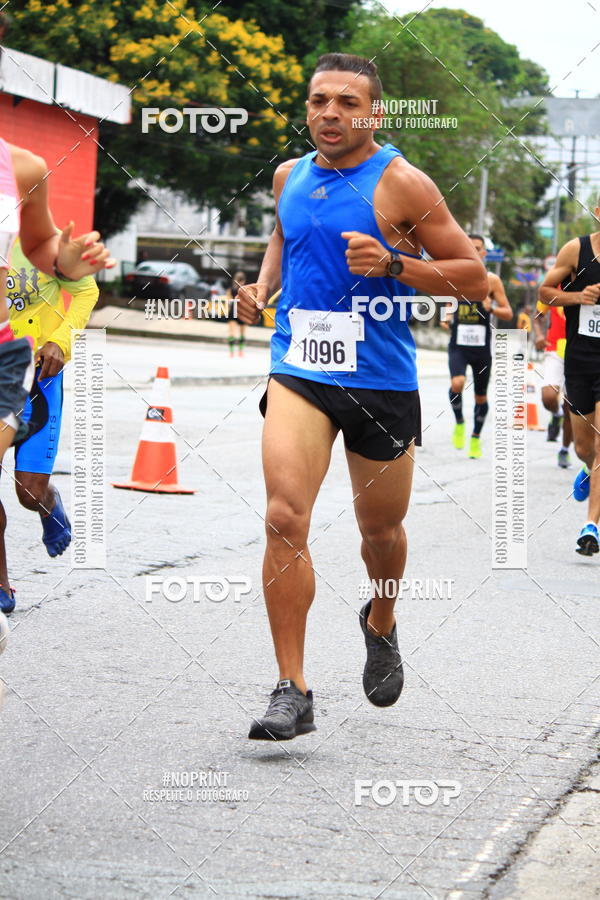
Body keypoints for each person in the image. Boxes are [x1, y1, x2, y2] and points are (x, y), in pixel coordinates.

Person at [236, 53, 487, 741]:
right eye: (319, 100)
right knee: (285, 516)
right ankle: (293, 686)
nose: (330, 114)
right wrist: (263, 288)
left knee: (380, 532)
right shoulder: (290, 176)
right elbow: (285, 236)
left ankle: (381, 618)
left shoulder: (402, 183)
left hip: (380, 379)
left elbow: (473, 276)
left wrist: (395, 264)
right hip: (299, 369)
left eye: (348, 103)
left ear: (374, 113)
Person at [0, 239, 100, 614]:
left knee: (29, 491)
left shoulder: (40, 238)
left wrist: (61, 341)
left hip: (38, 379)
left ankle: (48, 503)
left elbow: (88, 290)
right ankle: (2, 583)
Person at [539, 204, 600, 555]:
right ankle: (586, 467)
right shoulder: (576, 250)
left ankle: (591, 525)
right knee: (584, 448)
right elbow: (545, 292)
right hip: (579, 361)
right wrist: (579, 296)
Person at [442, 234, 512, 458]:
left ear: (483, 253)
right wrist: (447, 316)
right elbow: (449, 304)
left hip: (481, 349)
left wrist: (490, 307)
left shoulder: (492, 281)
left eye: (478, 248)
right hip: (459, 345)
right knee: (457, 382)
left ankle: (475, 438)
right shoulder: (456, 276)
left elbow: (508, 312)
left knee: (480, 397)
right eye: (469, 247)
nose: (473, 250)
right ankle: (460, 422)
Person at [532, 299, 572, 467]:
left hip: (580, 351)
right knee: (548, 397)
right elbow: (537, 316)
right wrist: (540, 335)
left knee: (570, 407)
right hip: (554, 350)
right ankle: (556, 416)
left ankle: (564, 450)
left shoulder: (591, 285)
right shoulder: (555, 284)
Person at [226, 271, 247, 358]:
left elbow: (228, 301)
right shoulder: (245, 290)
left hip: (233, 311)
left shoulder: (231, 289)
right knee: (242, 333)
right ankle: (240, 352)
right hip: (242, 311)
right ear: (243, 280)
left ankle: (231, 352)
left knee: (232, 332)